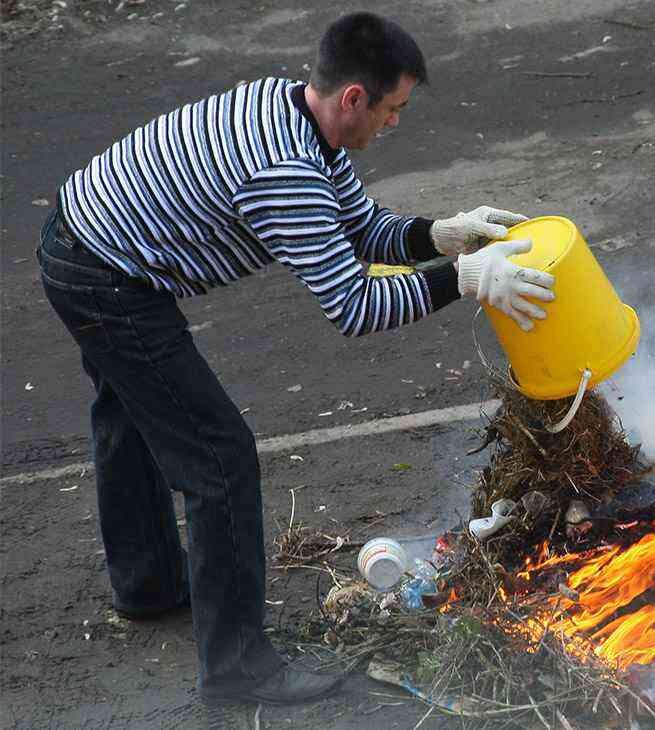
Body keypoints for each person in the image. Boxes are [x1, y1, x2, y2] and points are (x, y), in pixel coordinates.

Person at [36, 12, 554, 705]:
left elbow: (359, 226)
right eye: (394, 109)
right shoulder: (283, 167)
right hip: (104, 274)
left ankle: (150, 585)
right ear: (354, 100)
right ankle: (238, 670)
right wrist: (460, 282)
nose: (396, 123)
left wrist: (443, 235)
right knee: (220, 457)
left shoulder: (295, 110)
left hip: (87, 238)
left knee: (133, 413)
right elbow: (355, 308)